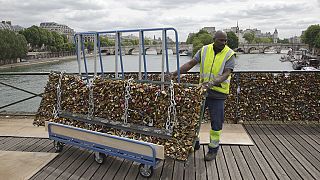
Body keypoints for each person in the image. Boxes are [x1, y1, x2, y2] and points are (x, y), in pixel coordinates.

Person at [171, 30, 235, 161]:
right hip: (202, 92)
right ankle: (195, 142)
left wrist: (212, 83)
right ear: (214, 39)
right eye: (221, 40)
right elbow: (190, 64)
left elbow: (226, 73)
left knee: (216, 124)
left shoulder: (229, 54)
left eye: (225, 40)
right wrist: (174, 73)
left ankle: (213, 150)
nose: (224, 43)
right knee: (194, 119)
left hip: (218, 94)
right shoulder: (204, 50)